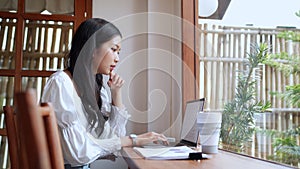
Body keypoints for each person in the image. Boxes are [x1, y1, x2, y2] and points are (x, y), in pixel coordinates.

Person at [41, 18, 168, 169]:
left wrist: (116, 94)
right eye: (113, 50)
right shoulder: (61, 83)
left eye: (119, 52)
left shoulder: (97, 89)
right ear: (92, 49)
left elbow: (112, 138)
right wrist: (132, 140)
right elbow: (79, 152)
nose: (117, 58)